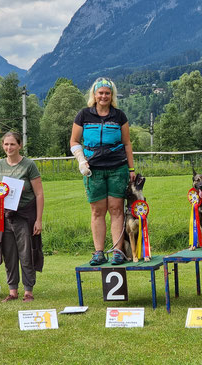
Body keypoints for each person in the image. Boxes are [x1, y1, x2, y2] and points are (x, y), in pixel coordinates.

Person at [70, 77, 136, 265]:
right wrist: (81, 160)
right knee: (97, 212)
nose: (104, 96)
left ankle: (117, 251)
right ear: (94, 95)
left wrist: (131, 169)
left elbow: (127, 143)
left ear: (112, 95)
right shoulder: (83, 115)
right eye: (100, 93)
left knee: (116, 210)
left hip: (118, 168)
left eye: (107, 93)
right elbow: (74, 141)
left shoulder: (119, 116)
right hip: (93, 171)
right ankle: (99, 252)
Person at [0, 132, 44, 302]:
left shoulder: (29, 165)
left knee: (26, 253)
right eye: (6, 144)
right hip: (4, 216)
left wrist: (38, 220)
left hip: (25, 215)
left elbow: (40, 194)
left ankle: (28, 291)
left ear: (19, 145)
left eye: (12, 144)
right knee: (9, 254)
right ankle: (12, 291)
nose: (9, 148)